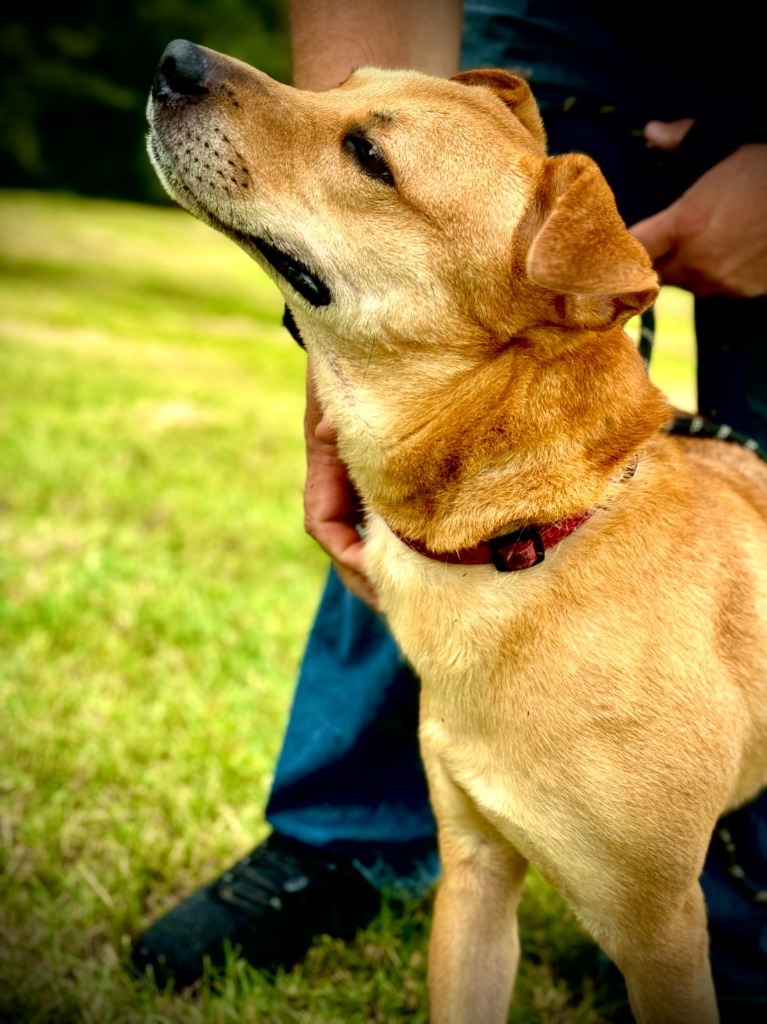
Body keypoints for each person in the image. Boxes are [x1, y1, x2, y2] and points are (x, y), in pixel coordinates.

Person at [132, 0, 767, 1015]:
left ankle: (730, 915)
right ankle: (338, 837)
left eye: (367, 160)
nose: (220, 80)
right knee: (472, 851)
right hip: (564, 23)